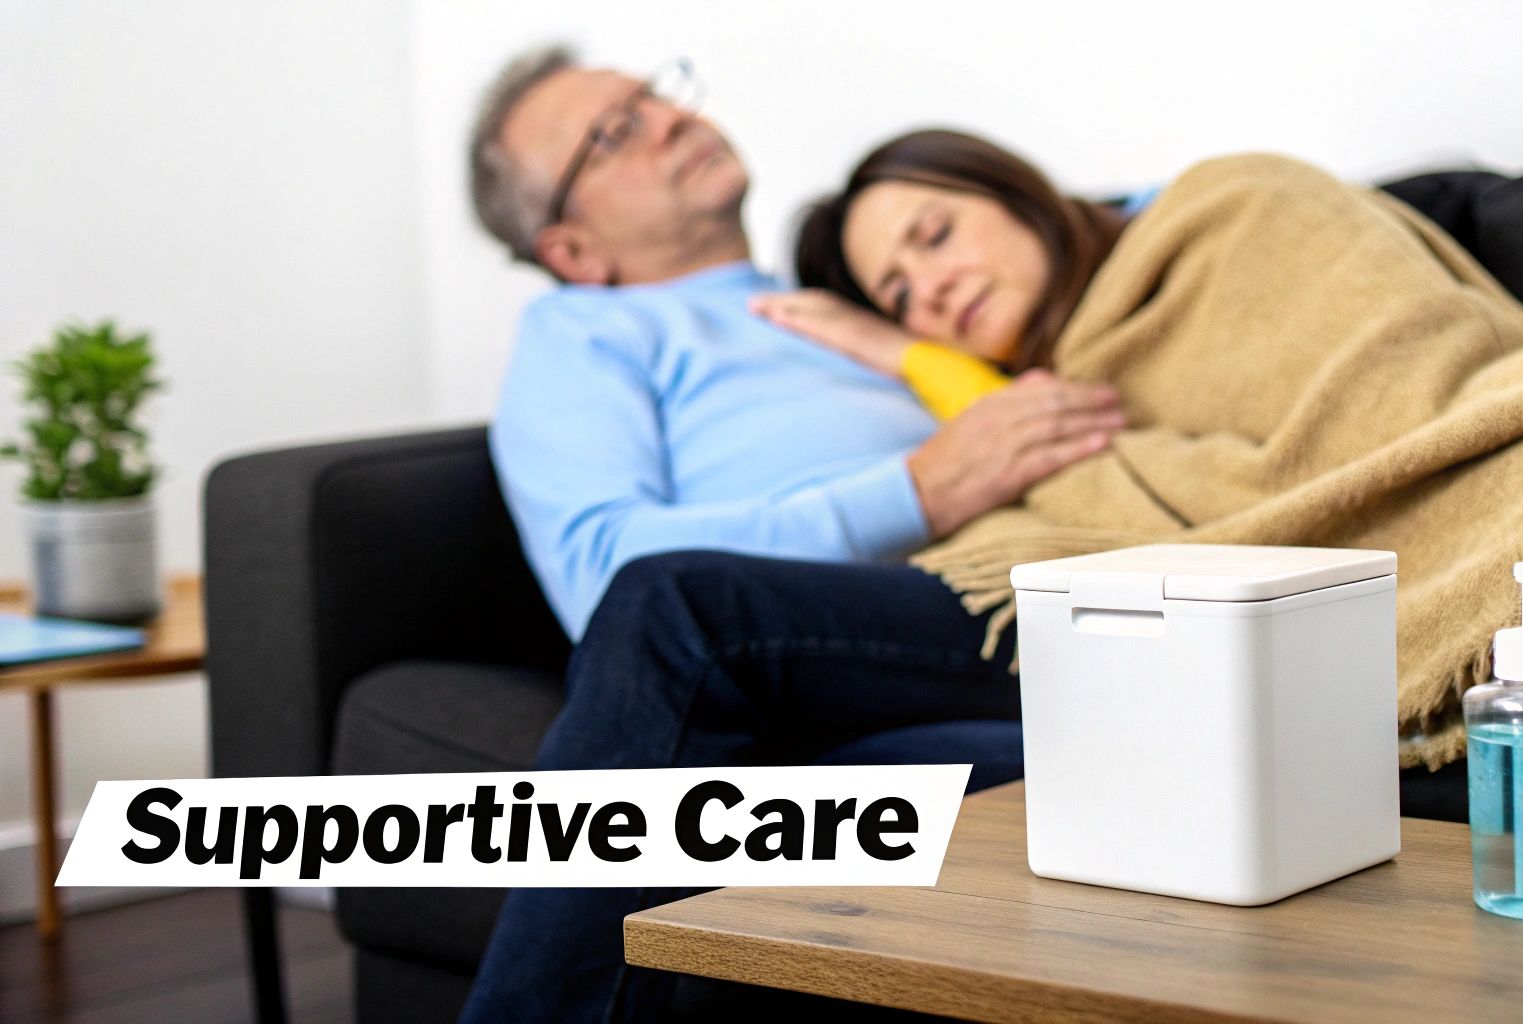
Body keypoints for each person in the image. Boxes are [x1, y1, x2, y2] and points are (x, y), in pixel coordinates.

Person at [462, 49, 1125, 1022]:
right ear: (573, 249)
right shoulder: (587, 330)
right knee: (675, 610)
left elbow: (1066, 238)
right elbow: (606, 578)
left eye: (652, 95)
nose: (665, 119)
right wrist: (920, 488)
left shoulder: (851, 287)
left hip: (1011, 599)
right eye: (614, 132)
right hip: (847, 654)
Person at [753, 129, 1157, 419]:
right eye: (901, 299)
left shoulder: (1187, 217)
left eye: (936, 235)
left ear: (1012, 192)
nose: (931, 289)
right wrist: (917, 360)